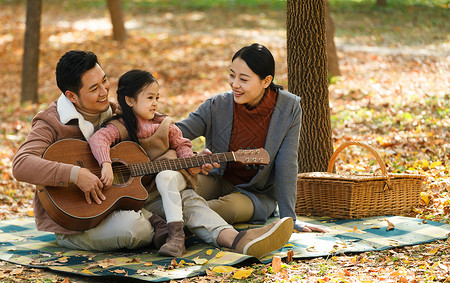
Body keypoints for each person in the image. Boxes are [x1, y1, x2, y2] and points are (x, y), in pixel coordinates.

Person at [12, 50, 295, 258]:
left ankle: (237, 240)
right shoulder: (50, 121)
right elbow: (22, 164)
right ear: (71, 96)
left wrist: (187, 158)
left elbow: (161, 130)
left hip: (128, 200)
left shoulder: (117, 110)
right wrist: (75, 174)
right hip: (76, 218)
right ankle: (86, 239)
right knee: (139, 229)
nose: (104, 91)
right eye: (94, 88)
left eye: (105, 81)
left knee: (182, 197)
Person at [177, 43, 327, 233]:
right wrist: (191, 154)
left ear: (266, 81)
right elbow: (176, 133)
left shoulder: (288, 108)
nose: (235, 84)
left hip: (254, 194)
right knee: (174, 186)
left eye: (244, 79)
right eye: (232, 75)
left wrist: (289, 218)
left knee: (223, 209)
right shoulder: (217, 105)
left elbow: (287, 163)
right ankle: (167, 219)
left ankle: (167, 221)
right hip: (217, 179)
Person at [88, 69, 196, 257]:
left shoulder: (164, 124)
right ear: (129, 101)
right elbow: (98, 139)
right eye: (149, 98)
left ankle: (176, 237)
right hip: (136, 191)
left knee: (163, 182)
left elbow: (182, 145)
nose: (155, 103)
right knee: (126, 194)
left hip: (159, 184)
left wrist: (192, 161)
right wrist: (106, 163)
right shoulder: (120, 125)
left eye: (157, 98)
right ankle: (159, 225)